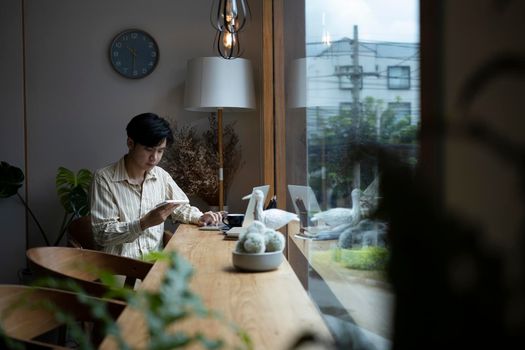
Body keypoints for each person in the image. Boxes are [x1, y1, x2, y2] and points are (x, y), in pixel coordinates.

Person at [90, 113, 223, 259]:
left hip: (154, 267)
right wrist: (143, 223)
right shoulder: (104, 179)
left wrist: (201, 217)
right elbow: (102, 234)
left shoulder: (160, 176)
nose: (155, 158)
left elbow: (180, 206)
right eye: (148, 149)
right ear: (130, 143)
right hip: (119, 270)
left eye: (160, 151)